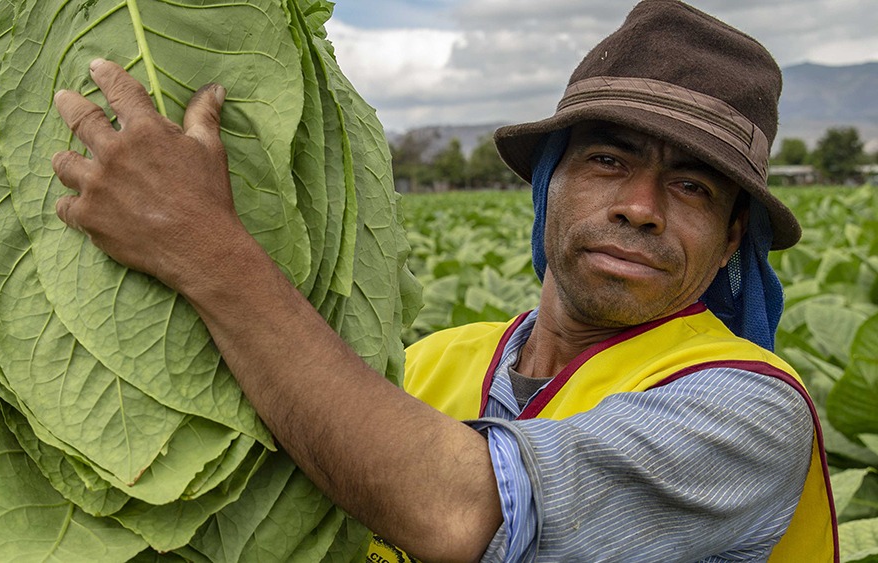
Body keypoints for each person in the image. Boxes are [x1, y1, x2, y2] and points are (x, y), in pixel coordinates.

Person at [49, 0, 837, 561]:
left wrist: (201, 244)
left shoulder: (748, 409)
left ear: (735, 240)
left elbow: (463, 512)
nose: (640, 207)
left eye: (694, 187)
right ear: (549, 185)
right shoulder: (431, 362)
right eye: (609, 160)